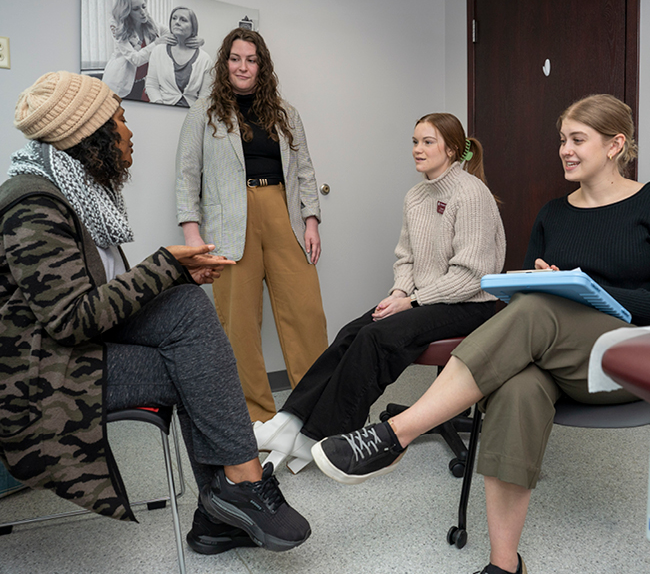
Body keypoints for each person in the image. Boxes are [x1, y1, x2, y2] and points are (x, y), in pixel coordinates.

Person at [312, 94, 648, 574]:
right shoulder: (554, 212)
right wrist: (545, 281)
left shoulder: (647, 203)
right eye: (562, 140)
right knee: (516, 387)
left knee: (540, 310)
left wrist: (591, 293)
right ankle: (504, 565)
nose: (565, 150)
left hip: (624, 358)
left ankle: (396, 435)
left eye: (578, 139)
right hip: (554, 353)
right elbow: (526, 296)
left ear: (616, 145)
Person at [0, 71, 310, 556]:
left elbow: (98, 298)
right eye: (121, 121)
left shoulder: (78, 190)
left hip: (77, 345)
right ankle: (229, 499)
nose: (129, 132)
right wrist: (165, 267)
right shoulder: (32, 202)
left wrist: (174, 274)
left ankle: (230, 498)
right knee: (189, 365)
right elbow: (71, 319)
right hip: (43, 370)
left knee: (187, 308)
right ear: (89, 134)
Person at [254, 113, 506, 474]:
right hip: (424, 297)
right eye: (415, 142)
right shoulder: (416, 196)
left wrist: (412, 301)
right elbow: (406, 257)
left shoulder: (471, 193)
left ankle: (323, 436)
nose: (418, 149)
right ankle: (290, 419)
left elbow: (472, 276)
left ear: (452, 149)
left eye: (428, 142)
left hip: (469, 303)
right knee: (352, 331)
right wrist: (399, 292)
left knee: (377, 338)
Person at [176, 28, 328, 422]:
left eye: (251, 59)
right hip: (230, 225)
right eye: (236, 58)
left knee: (306, 315)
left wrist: (311, 221)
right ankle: (256, 417)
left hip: (283, 214)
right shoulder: (203, 113)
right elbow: (186, 177)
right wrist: (193, 239)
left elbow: (306, 171)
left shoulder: (285, 112)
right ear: (224, 63)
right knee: (238, 326)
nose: (243, 66)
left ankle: (318, 411)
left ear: (262, 66)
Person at [102, 0, 202, 101]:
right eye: (136, 9)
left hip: (142, 84)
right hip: (120, 84)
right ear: (127, 11)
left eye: (144, 6)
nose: (143, 12)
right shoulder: (117, 25)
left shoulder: (149, 22)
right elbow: (136, 60)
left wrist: (196, 38)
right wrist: (156, 43)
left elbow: (174, 33)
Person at [146, 7, 212, 107]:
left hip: (191, 115)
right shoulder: (158, 51)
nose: (177, 22)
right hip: (161, 110)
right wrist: (159, 106)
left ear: (193, 27)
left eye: (183, 20)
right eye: (174, 18)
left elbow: (205, 95)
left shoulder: (205, 59)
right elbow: (151, 85)